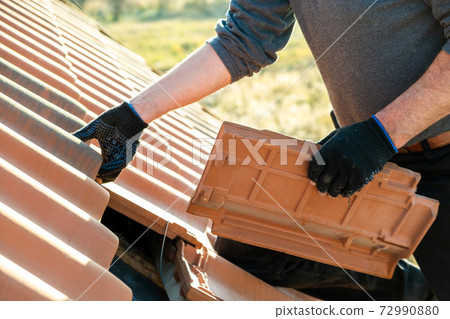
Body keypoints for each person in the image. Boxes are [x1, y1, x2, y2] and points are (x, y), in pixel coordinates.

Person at [74, 0, 450, 300]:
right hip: (364, 149)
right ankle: (415, 292)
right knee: (251, 248)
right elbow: (243, 38)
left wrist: (381, 133)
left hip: (428, 151)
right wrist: (132, 116)